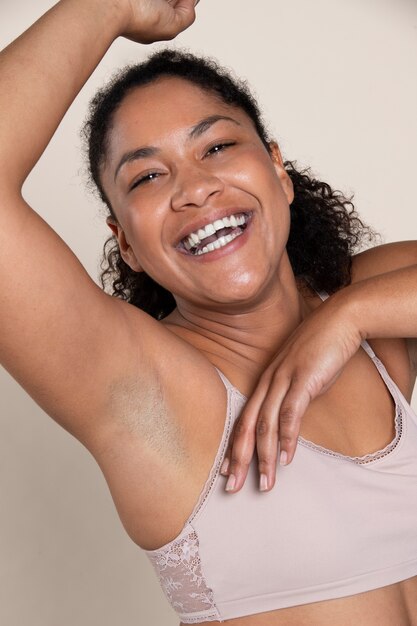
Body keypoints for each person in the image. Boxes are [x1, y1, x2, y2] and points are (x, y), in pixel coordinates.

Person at [1, 0, 416, 624]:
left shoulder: (377, 303)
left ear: (278, 170)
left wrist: (348, 317)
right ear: (127, 245)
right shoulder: (139, 387)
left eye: (217, 146)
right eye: (146, 178)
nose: (194, 188)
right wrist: (107, 6)